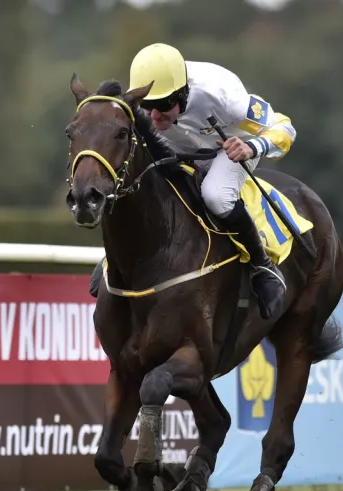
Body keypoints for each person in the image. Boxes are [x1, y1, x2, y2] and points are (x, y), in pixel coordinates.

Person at [90, 42, 296, 320]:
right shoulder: (145, 104)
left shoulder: (224, 95)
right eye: (147, 106)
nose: (154, 116)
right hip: (181, 148)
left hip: (229, 148)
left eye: (164, 105)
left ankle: (263, 266)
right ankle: (112, 258)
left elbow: (284, 127)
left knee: (216, 195)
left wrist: (252, 147)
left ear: (183, 93)